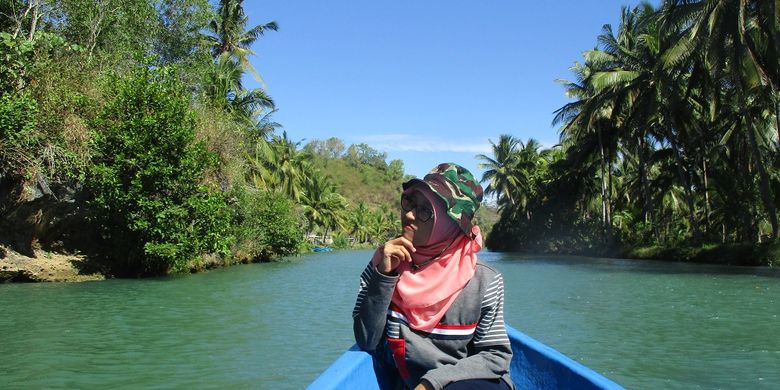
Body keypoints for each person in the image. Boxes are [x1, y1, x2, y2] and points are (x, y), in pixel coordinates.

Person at [352, 163, 513, 390]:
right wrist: (384, 276)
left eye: (425, 210)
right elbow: (366, 340)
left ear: (453, 224)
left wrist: (432, 383)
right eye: (409, 203)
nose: (408, 214)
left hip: (464, 381)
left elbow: (495, 355)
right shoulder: (383, 263)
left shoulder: (484, 281)